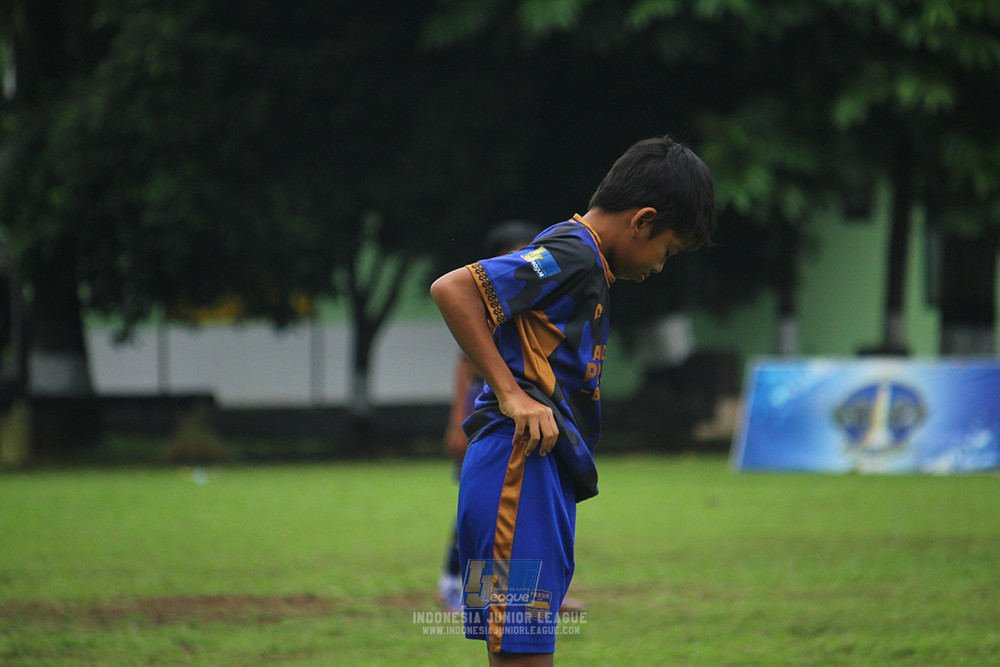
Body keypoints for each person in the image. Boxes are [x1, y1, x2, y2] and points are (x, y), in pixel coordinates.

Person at [429, 136, 716, 666]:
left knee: (521, 646)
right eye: (668, 251)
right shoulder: (573, 254)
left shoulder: (582, 260)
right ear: (643, 221)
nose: (659, 267)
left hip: (535, 468)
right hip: (518, 467)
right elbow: (453, 289)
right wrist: (511, 394)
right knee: (522, 651)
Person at [437, 220, 542, 613]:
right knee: (483, 505)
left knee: (526, 505)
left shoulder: (536, 303)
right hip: (489, 414)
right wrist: (456, 424)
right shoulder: (484, 307)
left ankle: (532, 593)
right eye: (509, 255)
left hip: (528, 414)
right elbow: (466, 368)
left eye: (525, 253)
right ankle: (455, 584)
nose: (518, 261)